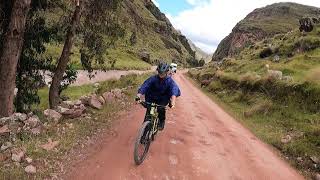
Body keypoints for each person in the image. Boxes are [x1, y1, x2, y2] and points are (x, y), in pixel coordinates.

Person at [136, 61, 181, 130]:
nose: (161, 74)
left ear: (166, 72)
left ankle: (161, 121)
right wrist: (138, 95)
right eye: (159, 72)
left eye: (162, 73)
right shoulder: (153, 79)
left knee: (161, 110)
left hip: (162, 99)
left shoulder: (169, 81)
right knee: (149, 110)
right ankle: (145, 125)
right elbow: (145, 86)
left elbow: (174, 90)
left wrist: (173, 101)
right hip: (151, 97)